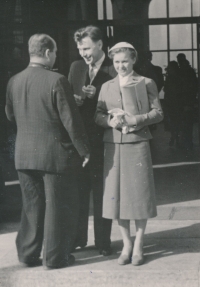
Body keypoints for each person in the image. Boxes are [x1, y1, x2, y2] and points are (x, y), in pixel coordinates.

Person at [5, 34, 90, 270]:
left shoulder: (14, 81)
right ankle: (55, 258)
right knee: (57, 206)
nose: (55, 58)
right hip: (54, 155)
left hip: (24, 154)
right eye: (54, 53)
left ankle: (28, 253)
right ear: (46, 53)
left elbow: (10, 115)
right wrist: (84, 150)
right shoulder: (57, 80)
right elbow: (71, 121)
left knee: (31, 205)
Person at [95, 42, 163, 266]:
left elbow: (158, 113)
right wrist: (109, 121)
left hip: (137, 144)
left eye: (125, 61)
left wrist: (136, 119)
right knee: (118, 197)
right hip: (113, 146)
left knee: (139, 195)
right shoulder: (106, 86)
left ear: (133, 60)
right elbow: (98, 115)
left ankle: (140, 244)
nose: (121, 66)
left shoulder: (146, 82)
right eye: (116, 62)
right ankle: (126, 244)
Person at [68, 25, 116, 256]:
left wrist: (94, 96)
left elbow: (119, 104)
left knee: (101, 191)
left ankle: (103, 241)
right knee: (78, 190)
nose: (83, 53)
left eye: (86, 48)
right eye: (80, 49)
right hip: (80, 140)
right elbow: (66, 103)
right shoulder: (75, 67)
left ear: (99, 44)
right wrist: (75, 101)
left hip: (105, 140)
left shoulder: (114, 68)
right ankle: (78, 238)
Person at [176, 54, 198, 151]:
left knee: (183, 122)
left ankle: (184, 141)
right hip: (189, 100)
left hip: (183, 100)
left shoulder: (180, 71)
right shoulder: (190, 71)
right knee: (188, 123)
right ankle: (188, 141)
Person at [164, 61, 182, 147]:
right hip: (175, 102)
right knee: (176, 121)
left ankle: (174, 137)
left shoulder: (170, 78)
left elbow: (166, 90)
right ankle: (176, 137)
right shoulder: (177, 77)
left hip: (173, 102)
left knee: (173, 121)